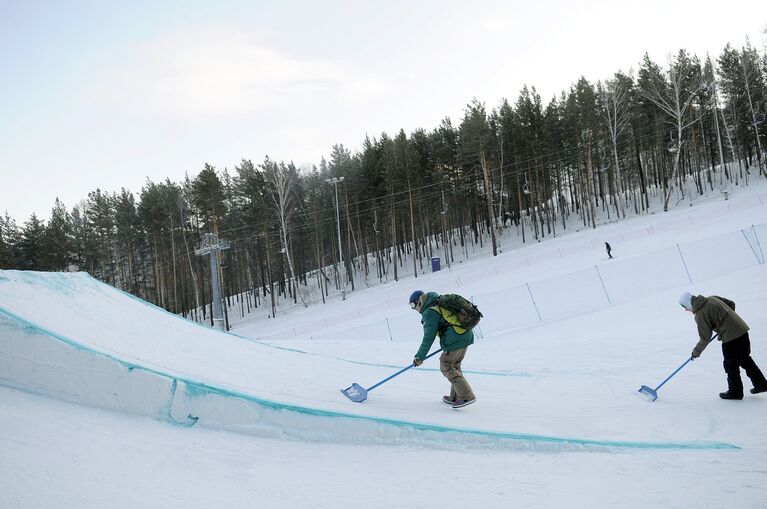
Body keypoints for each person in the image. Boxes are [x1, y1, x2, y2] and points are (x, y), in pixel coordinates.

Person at [679, 292, 767, 400]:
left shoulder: (700, 314)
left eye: (684, 307)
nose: (686, 310)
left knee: (730, 365)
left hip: (731, 338)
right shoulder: (712, 298)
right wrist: (726, 321)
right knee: (745, 359)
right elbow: (731, 304)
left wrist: (696, 352)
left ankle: (735, 392)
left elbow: (705, 338)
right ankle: (761, 384)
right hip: (742, 329)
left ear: (688, 304)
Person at [409, 290, 476, 408]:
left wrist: (419, 357)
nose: (414, 309)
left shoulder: (429, 312)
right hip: (465, 334)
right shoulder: (436, 301)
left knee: (445, 364)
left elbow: (428, 338)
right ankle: (455, 396)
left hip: (456, 338)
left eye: (413, 306)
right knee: (454, 366)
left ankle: (466, 396)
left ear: (419, 302)